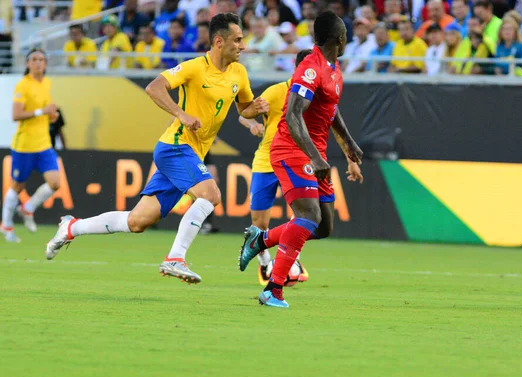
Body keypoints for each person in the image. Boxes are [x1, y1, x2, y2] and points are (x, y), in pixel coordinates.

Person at [45, 13, 269, 285]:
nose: (243, 45)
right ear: (219, 42)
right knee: (211, 194)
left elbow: (243, 108)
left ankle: (71, 227)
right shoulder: (195, 67)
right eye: (238, 39)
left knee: (137, 222)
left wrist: (254, 114)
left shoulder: (238, 72)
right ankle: (175, 257)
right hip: (175, 146)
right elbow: (154, 88)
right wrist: (181, 114)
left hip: (191, 154)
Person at [238, 11, 364, 308]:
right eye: (346, 34)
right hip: (292, 149)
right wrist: (315, 156)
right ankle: (273, 289)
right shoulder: (311, 67)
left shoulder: (334, 69)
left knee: (323, 227)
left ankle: (261, 240)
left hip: (312, 151)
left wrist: (349, 145)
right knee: (309, 216)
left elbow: (332, 111)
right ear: (340, 39)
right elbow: (293, 115)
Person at [239, 49, 337, 286]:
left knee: (305, 215)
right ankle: (265, 266)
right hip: (266, 160)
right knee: (259, 222)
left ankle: (291, 261)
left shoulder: (318, 94)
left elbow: (332, 122)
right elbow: (245, 113)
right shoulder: (275, 91)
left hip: (297, 159)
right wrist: (252, 122)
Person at [1, 49, 60, 243]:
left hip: (43, 144)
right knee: (17, 186)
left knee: (55, 183)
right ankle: (7, 225)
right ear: (27, 64)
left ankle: (28, 209)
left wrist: (52, 115)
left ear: (46, 63)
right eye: (34, 60)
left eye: (41, 60)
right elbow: (16, 114)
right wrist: (41, 111)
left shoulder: (47, 83)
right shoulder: (23, 85)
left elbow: (47, 110)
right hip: (24, 145)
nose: (38, 63)